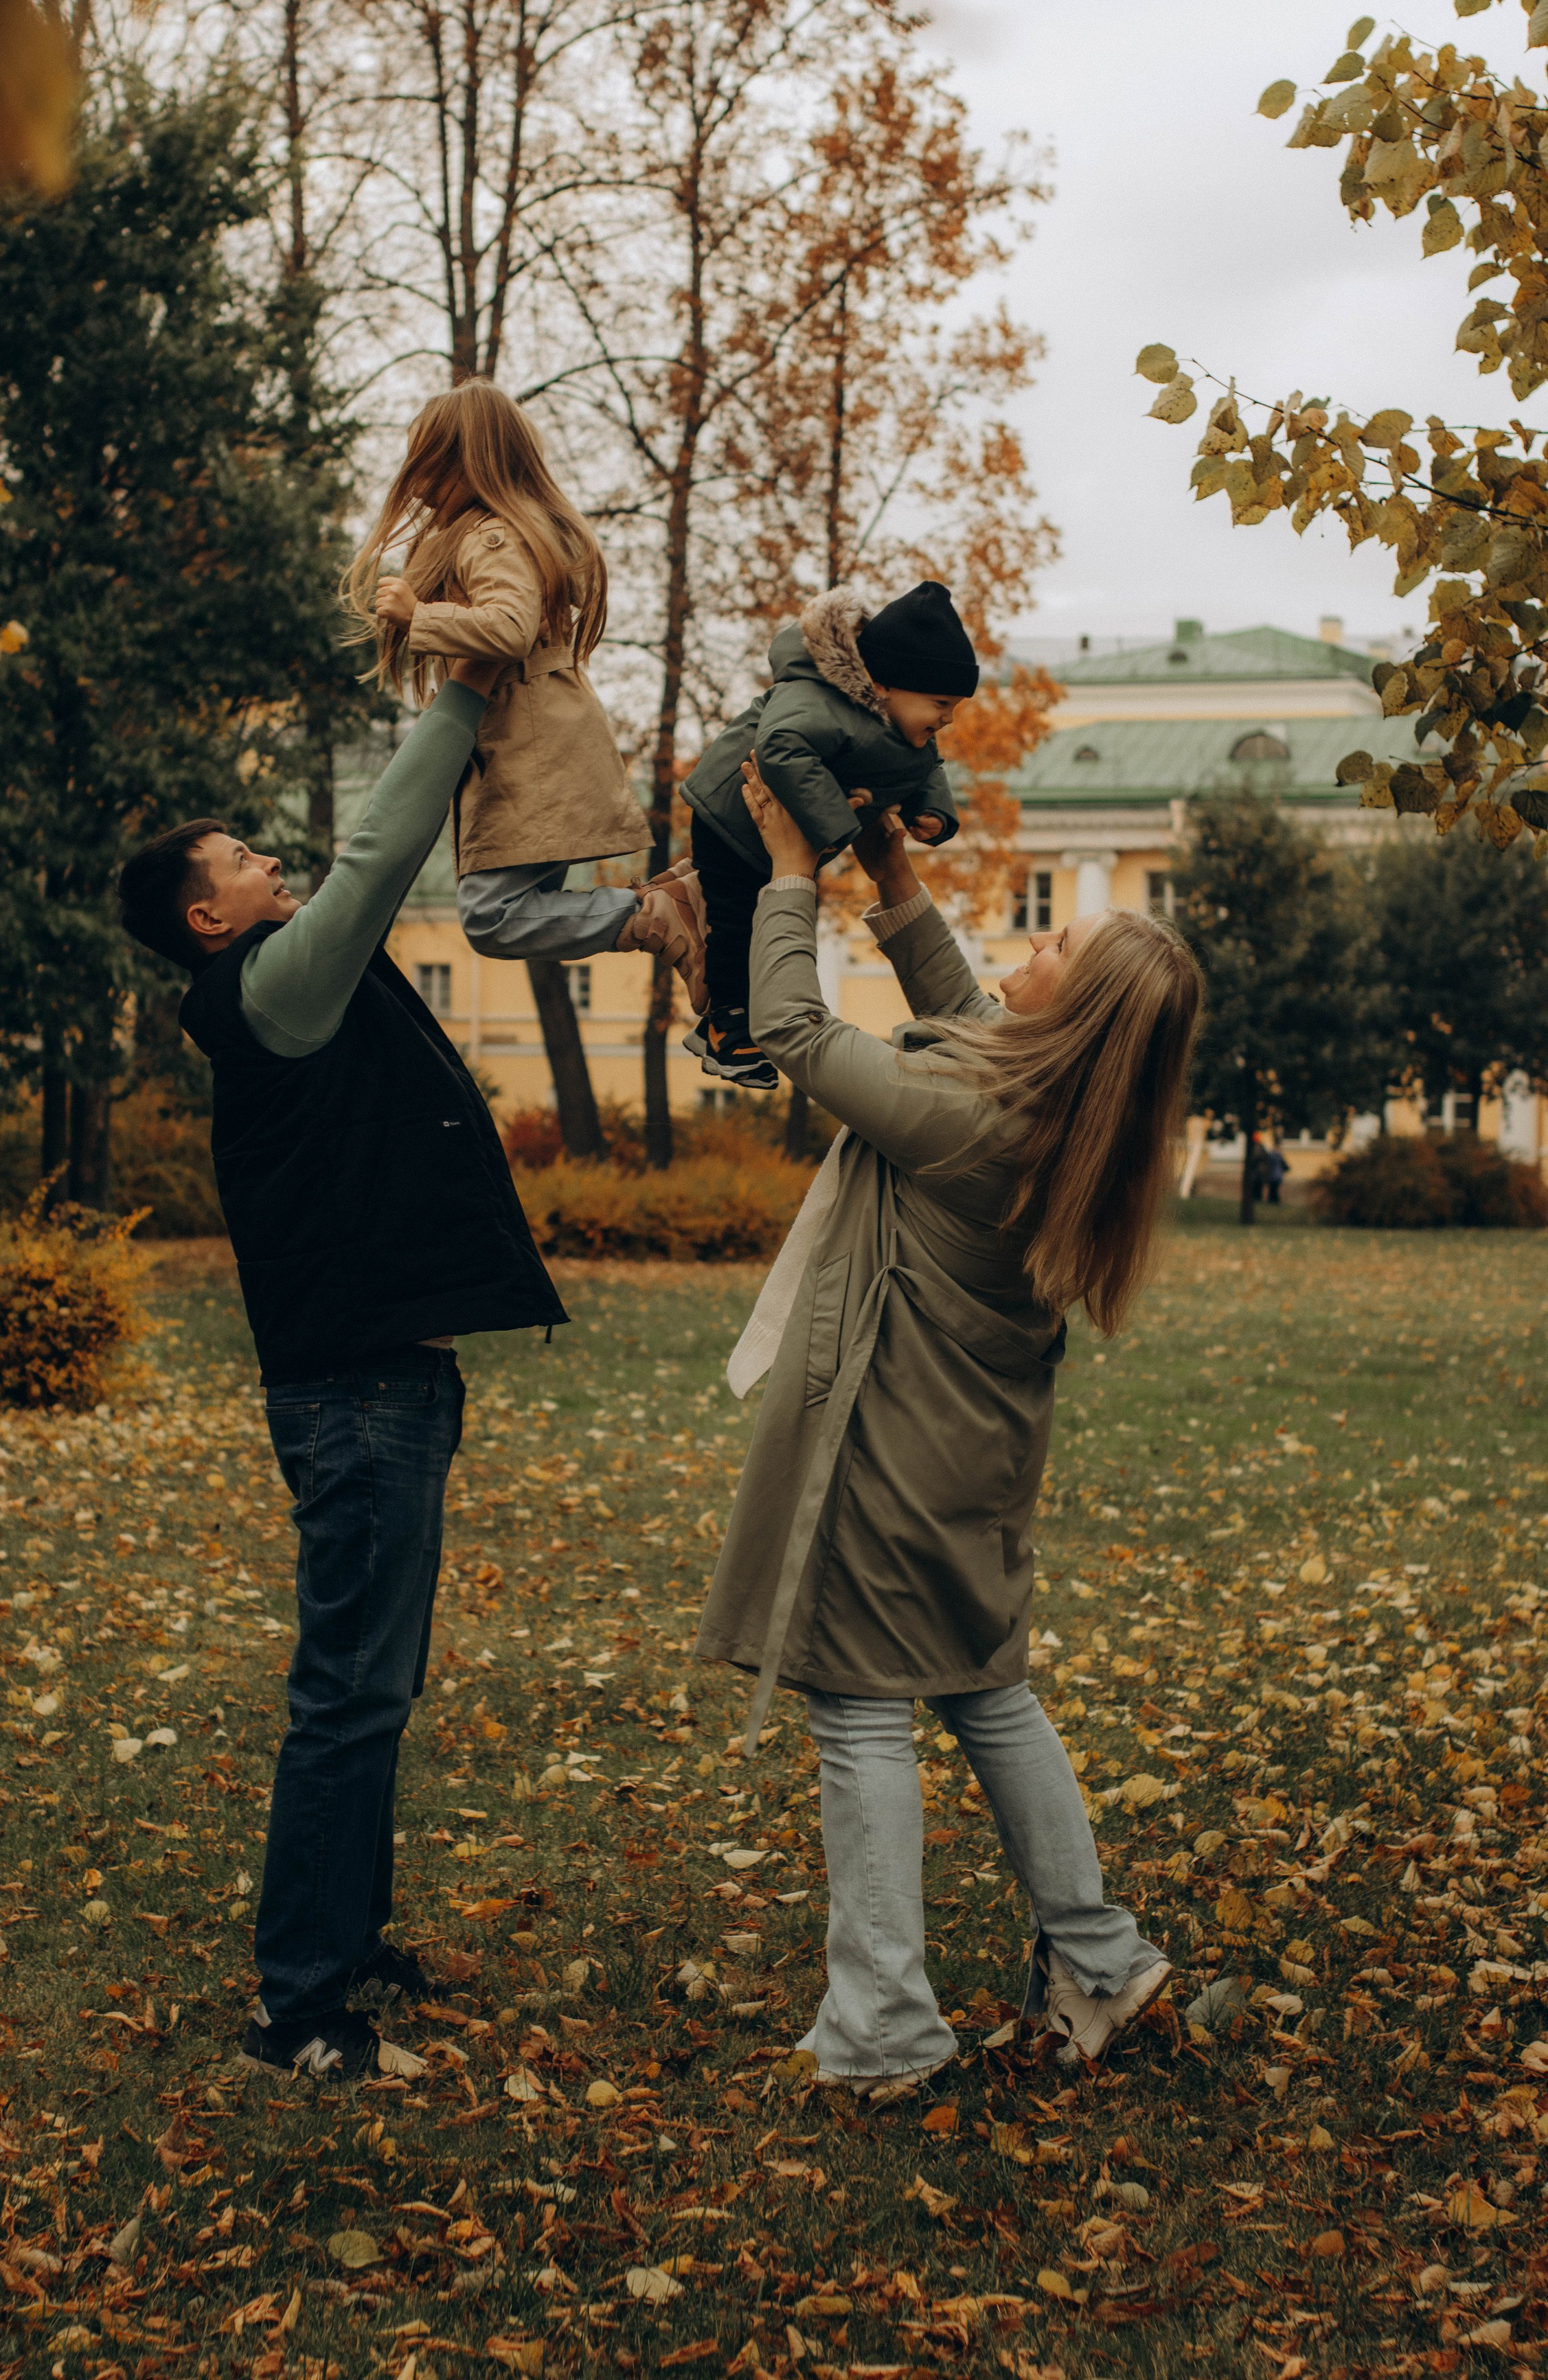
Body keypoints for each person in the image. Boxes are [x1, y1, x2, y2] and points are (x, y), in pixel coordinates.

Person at [697, 770, 1203, 2094]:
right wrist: (892, 872)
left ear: (1076, 1009)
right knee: (989, 1692)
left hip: (895, 1463)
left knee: (861, 1715)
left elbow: (799, 1034)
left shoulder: (967, 1119)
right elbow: (968, 1007)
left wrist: (794, 870)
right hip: (978, 1469)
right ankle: (1098, 1959)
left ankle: (884, 2030)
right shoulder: (1056, 1116)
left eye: (1055, 948)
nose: (1030, 946)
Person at [116, 653, 567, 2085]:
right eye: (247, 860)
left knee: (377, 1684)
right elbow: (378, 855)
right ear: (210, 917)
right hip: (357, 1395)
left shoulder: (278, 991)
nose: (274, 863)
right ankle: (299, 2012)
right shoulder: (263, 991)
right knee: (347, 1694)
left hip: (388, 1386)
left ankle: (346, 1939)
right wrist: (461, 688)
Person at [343, 381, 705, 1005]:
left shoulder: (493, 537)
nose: (417, 479)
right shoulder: (499, 534)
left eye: (427, 460)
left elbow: (509, 628)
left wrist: (417, 616)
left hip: (533, 756)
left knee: (491, 917)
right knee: (505, 911)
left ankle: (657, 913)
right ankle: (667, 906)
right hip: (532, 749)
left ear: (466, 459)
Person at [679, 580, 972, 1089]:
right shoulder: (815, 697)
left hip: (786, 836)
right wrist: (836, 824)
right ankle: (725, 1028)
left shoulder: (901, 728)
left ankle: (685, 914)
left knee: (776, 919)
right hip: (730, 817)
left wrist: (935, 814)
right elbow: (779, 748)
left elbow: (926, 768)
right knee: (738, 924)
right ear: (887, 686)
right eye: (941, 703)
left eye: (954, 708)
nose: (947, 719)